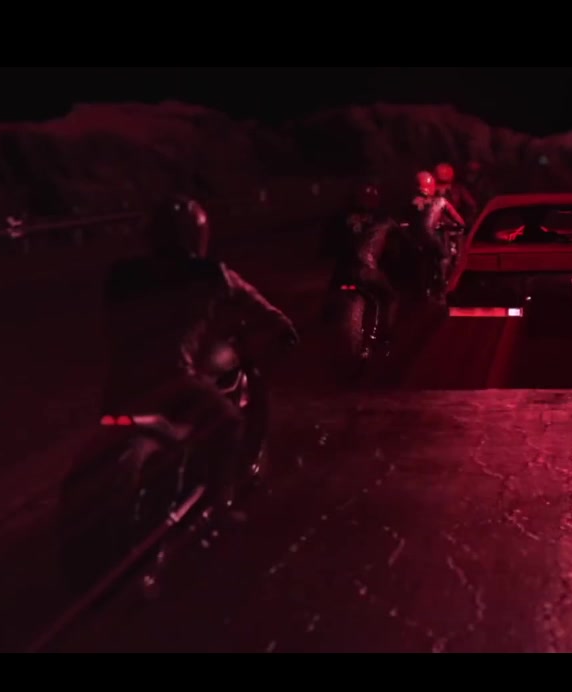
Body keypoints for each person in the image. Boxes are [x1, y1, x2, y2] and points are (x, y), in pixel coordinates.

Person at [101, 194, 298, 523]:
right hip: (172, 380)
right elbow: (250, 300)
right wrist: (282, 325)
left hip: (119, 386)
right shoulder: (210, 274)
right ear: (197, 235)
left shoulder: (121, 274)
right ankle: (220, 505)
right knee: (228, 421)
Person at [332, 182, 403, 351]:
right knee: (390, 297)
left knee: (332, 297)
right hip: (367, 270)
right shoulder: (382, 218)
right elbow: (400, 238)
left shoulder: (342, 217)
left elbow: (329, 245)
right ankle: (385, 335)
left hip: (343, 270)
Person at [410, 170, 465, 296]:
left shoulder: (412, 202)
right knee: (444, 256)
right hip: (430, 236)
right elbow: (460, 221)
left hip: (414, 238)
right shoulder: (440, 201)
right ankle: (442, 285)